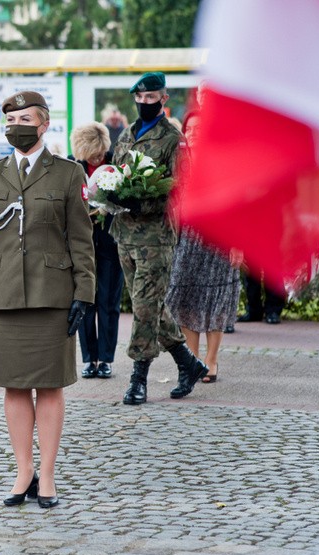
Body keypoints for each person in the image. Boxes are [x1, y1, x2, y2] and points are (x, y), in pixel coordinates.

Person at [0, 91, 95, 509]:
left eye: (25, 118)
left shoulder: (67, 173)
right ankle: (23, 470)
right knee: (14, 386)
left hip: (51, 294)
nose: (15, 125)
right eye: (9, 119)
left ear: (44, 125)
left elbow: (82, 239)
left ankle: (48, 474)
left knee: (50, 385)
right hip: (2, 292)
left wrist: (85, 293)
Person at [106, 71, 208, 405]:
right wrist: (112, 195)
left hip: (155, 237)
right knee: (146, 305)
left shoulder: (172, 139)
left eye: (152, 98)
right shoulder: (125, 135)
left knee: (146, 308)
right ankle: (187, 363)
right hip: (125, 233)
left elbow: (185, 188)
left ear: (163, 99)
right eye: (140, 98)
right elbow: (117, 173)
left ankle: (139, 378)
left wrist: (144, 200)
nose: (144, 103)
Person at [165, 111, 242, 384]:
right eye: (191, 129)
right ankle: (193, 359)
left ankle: (211, 360)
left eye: (201, 128)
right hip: (186, 239)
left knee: (217, 300)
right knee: (186, 298)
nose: (195, 133)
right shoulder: (178, 162)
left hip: (220, 239)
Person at [69, 122, 124, 380]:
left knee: (108, 302)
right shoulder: (71, 167)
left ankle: (106, 359)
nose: (98, 158)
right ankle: (89, 358)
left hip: (111, 242)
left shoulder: (117, 164)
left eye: (101, 152)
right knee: (85, 300)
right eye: (93, 153)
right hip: (81, 244)